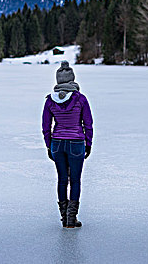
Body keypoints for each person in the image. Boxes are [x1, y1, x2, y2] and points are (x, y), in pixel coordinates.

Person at [42, 61, 93, 228]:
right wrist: (88, 143)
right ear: (72, 79)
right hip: (76, 142)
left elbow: (45, 126)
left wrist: (49, 145)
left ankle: (64, 217)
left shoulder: (50, 100)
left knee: (62, 179)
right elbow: (88, 124)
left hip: (57, 143)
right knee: (75, 180)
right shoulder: (80, 99)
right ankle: (72, 218)